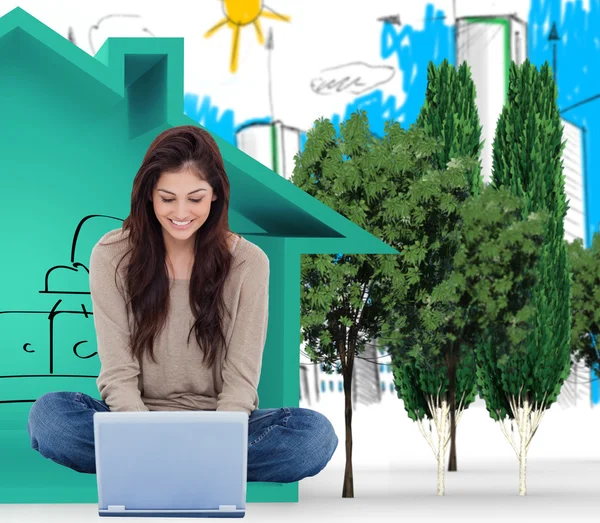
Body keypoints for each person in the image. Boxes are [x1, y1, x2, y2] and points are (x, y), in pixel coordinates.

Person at [27, 125, 338, 483]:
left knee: (313, 437)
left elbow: (240, 382)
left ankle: (151, 469)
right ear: (148, 196)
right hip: (133, 422)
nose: (181, 212)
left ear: (216, 196)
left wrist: (218, 439)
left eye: (195, 198)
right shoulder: (112, 254)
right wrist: (141, 434)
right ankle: (197, 471)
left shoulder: (249, 263)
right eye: (167, 198)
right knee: (50, 417)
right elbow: (117, 373)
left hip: (219, 426)